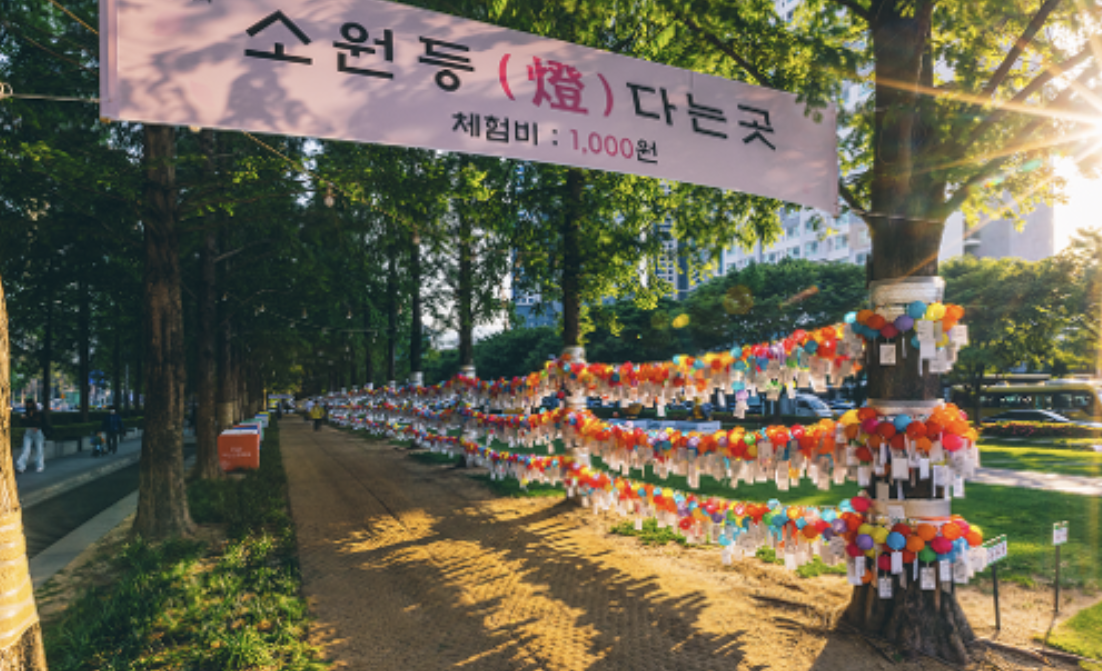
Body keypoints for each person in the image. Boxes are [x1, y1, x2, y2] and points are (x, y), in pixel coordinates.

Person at [16, 400, 47, 473]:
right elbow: (22, 423)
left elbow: (43, 422)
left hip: (37, 432)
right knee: (26, 450)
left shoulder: (38, 413)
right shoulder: (25, 413)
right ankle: (21, 466)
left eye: (29, 404)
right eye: (27, 404)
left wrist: (37, 427)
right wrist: (23, 419)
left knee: (39, 450)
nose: (28, 406)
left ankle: (40, 466)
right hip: (29, 431)